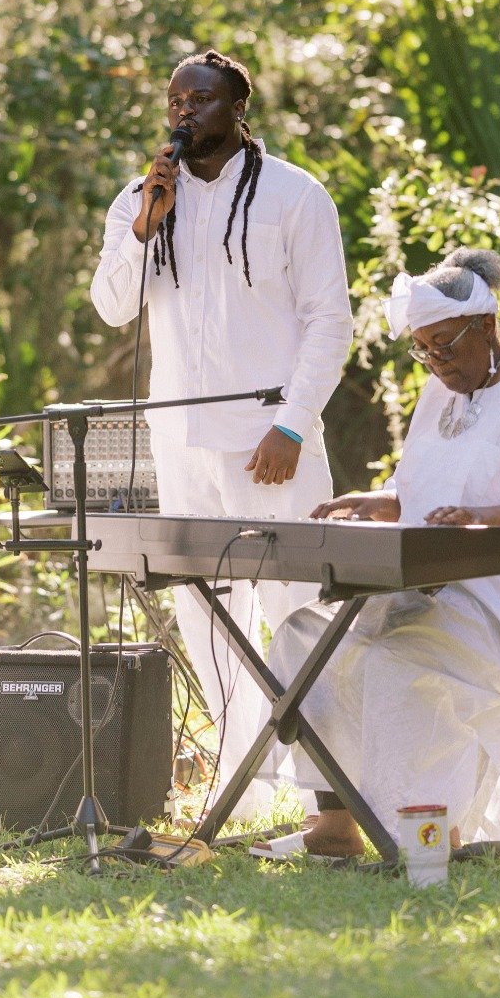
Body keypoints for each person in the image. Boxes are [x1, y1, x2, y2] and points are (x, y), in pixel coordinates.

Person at [259, 245, 500, 858]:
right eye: (423, 348)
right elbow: (425, 494)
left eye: (446, 344)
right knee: (306, 637)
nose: (436, 361)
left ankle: (428, 834)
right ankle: (337, 820)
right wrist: (380, 500)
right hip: (433, 583)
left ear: (489, 326)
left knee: (397, 665)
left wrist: (487, 521)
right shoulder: (437, 396)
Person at [90, 50, 352, 817]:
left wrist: (292, 424)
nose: (182, 112)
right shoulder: (140, 199)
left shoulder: (295, 195)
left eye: (199, 99)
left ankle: (329, 800)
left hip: (270, 444)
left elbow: (330, 323)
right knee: (208, 618)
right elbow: (112, 307)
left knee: (302, 609)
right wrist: (146, 226)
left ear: (240, 108)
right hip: (182, 445)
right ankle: (238, 794)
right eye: (173, 98)